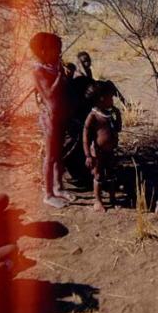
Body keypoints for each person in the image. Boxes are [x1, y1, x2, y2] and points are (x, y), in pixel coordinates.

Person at [30, 32, 75, 208]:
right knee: (50, 156)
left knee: (59, 154)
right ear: (42, 51)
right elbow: (48, 94)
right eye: (55, 49)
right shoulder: (38, 70)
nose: (59, 53)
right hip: (49, 118)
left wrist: (66, 76)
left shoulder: (53, 66)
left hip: (60, 115)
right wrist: (60, 77)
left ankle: (58, 187)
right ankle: (48, 194)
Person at [83, 80, 122, 212]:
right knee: (98, 176)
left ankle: (112, 198)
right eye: (110, 97)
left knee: (111, 174)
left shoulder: (109, 113)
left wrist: (118, 116)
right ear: (101, 99)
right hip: (98, 152)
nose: (112, 100)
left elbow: (118, 129)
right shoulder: (93, 116)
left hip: (110, 151)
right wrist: (88, 155)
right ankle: (98, 201)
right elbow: (86, 137)